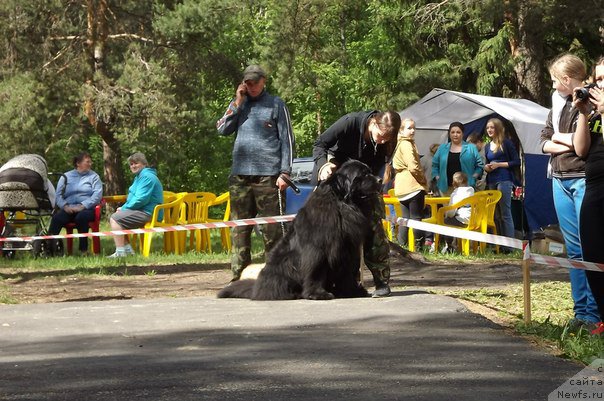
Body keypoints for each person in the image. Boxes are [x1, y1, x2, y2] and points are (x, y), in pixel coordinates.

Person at [216, 64, 295, 281]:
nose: (251, 87)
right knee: (239, 230)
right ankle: (238, 277)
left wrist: (285, 172)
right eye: (247, 83)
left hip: (268, 176)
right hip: (240, 177)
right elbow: (221, 129)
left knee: (272, 231)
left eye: (255, 82)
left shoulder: (276, 104)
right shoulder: (239, 104)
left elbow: (287, 139)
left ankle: (276, 276)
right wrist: (237, 102)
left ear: (264, 81)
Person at [312, 109, 401, 297]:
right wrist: (323, 165)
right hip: (338, 178)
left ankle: (381, 281)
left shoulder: (390, 139)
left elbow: (380, 165)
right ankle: (333, 281)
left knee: (374, 228)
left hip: (366, 183)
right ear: (374, 124)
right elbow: (320, 143)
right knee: (333, 232)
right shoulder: (350, 122)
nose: (383, 141)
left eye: (387, 139)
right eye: (381, 136)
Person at [540, 53, 599, 329]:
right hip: (558, 180)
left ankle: (595, 314)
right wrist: (562, 140)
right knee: (573, 251)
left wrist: (560, 139)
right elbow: (544, 138)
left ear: (566, 79)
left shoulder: (588, 103)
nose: (553, 86)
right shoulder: (556, 105)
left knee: (591, 249)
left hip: (582, 179)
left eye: (554, 81)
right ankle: (581, 313)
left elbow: (581, 147)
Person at [572, 56, 604, 334]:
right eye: (598, 79)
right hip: (593, 187)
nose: (599, 85)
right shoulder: (594, 114)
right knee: (592, 255)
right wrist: (583, 113)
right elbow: (580, 149)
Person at [108, 152, 163, 258]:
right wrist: (124, 208)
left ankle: (120, 252)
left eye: (135, 163)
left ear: (144, 164)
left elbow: (141, 199)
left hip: (149, 212)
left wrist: (124, 208)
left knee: (115, 218)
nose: (133, 166)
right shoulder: (139, 177)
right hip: (142, 210)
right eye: (131, 164)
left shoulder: (147, 177)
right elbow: (133, 198)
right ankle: (127, 250)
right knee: (119, 217)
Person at [49, 152, 103, 255]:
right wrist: (64, 207)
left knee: (81, 217)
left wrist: (83, 206)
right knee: (56, 218)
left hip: (87, 209)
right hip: (68, 208)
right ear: (78, 163)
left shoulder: (94, 177)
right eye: (88, 162)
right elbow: (58, 195)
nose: (90, 164)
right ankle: (50, 248)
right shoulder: (66, 176)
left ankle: (83, 250)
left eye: (90, 161)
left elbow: (97, 195)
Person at [484, 118, 520, 252]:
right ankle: (498, 245)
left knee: (505, 212)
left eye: (492, 127)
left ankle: (509, 246)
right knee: (494, 214)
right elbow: (488, 163)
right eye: (488, 128)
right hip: (491, 180)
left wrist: (499, 164)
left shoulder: (506, 143)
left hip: (504, 180)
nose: (489, 130)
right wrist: (487, 168)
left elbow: (516, 161)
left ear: (498, 128)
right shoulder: (487, 146)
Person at [392, 118, 428, 249]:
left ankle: (402, 248)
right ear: (401, 130)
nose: (412, 131)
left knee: (404, 219)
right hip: (412, 185)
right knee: (416, 219)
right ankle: (419, 248)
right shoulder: (406, 144)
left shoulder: (397, 143)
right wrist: (423, 179)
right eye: (409, 128)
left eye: (414, 128)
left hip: (402, 187)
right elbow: (413, 167)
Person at [431, 122, 484, 196]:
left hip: (466, 188)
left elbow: (480, 165)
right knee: (448, 208)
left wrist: (474, 177)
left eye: (458, 132)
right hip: (446, 188)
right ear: (449, 134)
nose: (455, 135)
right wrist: (437, 177)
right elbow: (435, 165)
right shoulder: (442, 148)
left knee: (465, 207)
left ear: (462, 134)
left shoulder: (471, 148)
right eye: (452, 132)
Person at [442, 172, 475, 253]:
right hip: (473, 219)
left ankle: (449, 246)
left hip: (461, 220)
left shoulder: (456, 193)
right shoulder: (471, 190)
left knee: (445, 222)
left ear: (455, 182)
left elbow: (451, 212)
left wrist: (446, 214)